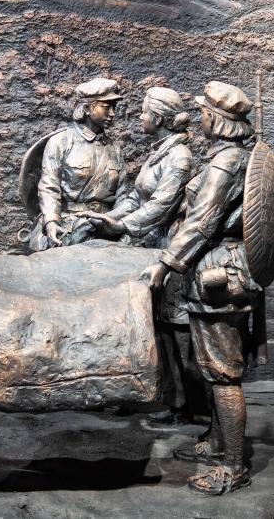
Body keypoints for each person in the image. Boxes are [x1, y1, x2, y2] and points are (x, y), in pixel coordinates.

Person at [142, 81, 260, 495]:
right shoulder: (232, 156)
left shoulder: (226, 162)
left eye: (205, 113)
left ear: (216, 118)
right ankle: (217, 443)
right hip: (220, 268)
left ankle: (233, 466)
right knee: (214, 368)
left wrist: (165, 263)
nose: (201, 118)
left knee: (223, 374)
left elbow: (203, 222)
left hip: (218, 274)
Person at [85, 86, 202, 423]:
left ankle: (187, 406)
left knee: (174, 327)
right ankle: (166, 396)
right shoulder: (160, 152)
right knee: (157, 325)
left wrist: (122, 227)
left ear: (159, 118)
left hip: (171, 249)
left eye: (144, 112)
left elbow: (161, 206)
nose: (140, 117)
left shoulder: (179, 158)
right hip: (150, 245)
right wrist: (111, 218)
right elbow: (138, 199)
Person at [30, 77, 128, 251]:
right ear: (88, 109)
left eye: (114, 107)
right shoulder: (61, 141)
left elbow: (123, 195)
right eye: (106, 107)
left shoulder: (115, 149)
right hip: (68, 223)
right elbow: (49, 186)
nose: (112, 113)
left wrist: (117, 224)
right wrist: (51, 222)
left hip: (104, 227)